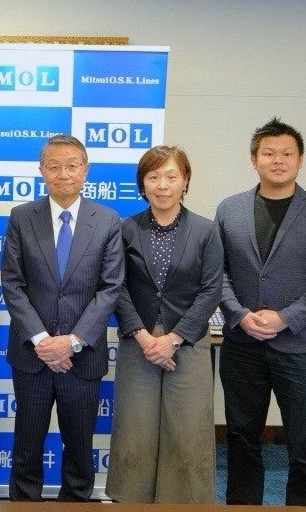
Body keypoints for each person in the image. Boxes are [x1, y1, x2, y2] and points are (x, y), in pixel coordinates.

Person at [216, 117, 306, 506]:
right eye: (269, 153)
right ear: (253, 159)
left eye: (287, 153)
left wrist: (286, 317)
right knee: (241, 439)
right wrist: (238, 314)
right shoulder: (229, 209)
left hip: (301, 347)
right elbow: (216, 273)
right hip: (242, 346)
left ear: (300, 160)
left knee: (305, 445)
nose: (278, 160)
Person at [0, 134, 124, 501]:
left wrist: (71, 341)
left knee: (80, 449)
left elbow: (110, 288)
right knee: (26, 446)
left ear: (85, 170)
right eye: (54, 166)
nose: (63, 174)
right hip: (32, 356)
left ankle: (76, 503)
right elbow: (12, 283)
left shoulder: (107, 220)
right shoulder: (22, 217)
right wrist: (42, 340)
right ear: (42, 171)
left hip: (82, 357)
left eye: (71, 166)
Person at [104, 145, 222, 503]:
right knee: (135, 430)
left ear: (185, 181)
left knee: (188, 431)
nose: (163, 185)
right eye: (153, 177)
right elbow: (117, 286)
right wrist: (144, 337)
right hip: (138, 341)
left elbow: (211, 290)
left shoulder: (206, 230)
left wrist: (174, 338)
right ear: (143, 183)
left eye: (172, 176)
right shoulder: (125, 228)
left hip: (188, 341)